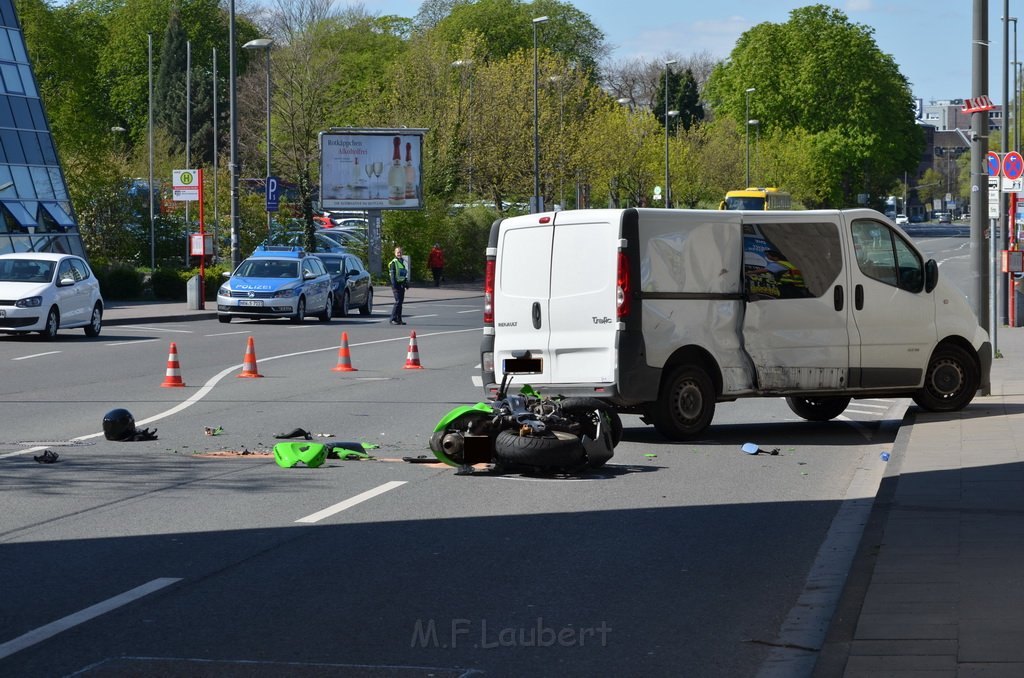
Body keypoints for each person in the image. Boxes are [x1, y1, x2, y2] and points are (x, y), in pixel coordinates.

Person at [389, 246, 409, 325]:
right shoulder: (393, 263)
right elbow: (392, 275)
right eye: (398, 252)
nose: (399, 254)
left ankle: (399, 319)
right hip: (396, 285)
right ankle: (392, 319)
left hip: (401, 285)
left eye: (400, 252)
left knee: (400, 302)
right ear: (395, 253)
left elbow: (403, 274)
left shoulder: (403, 262)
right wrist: (394, 285)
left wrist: (406, 283)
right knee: (397, 302)